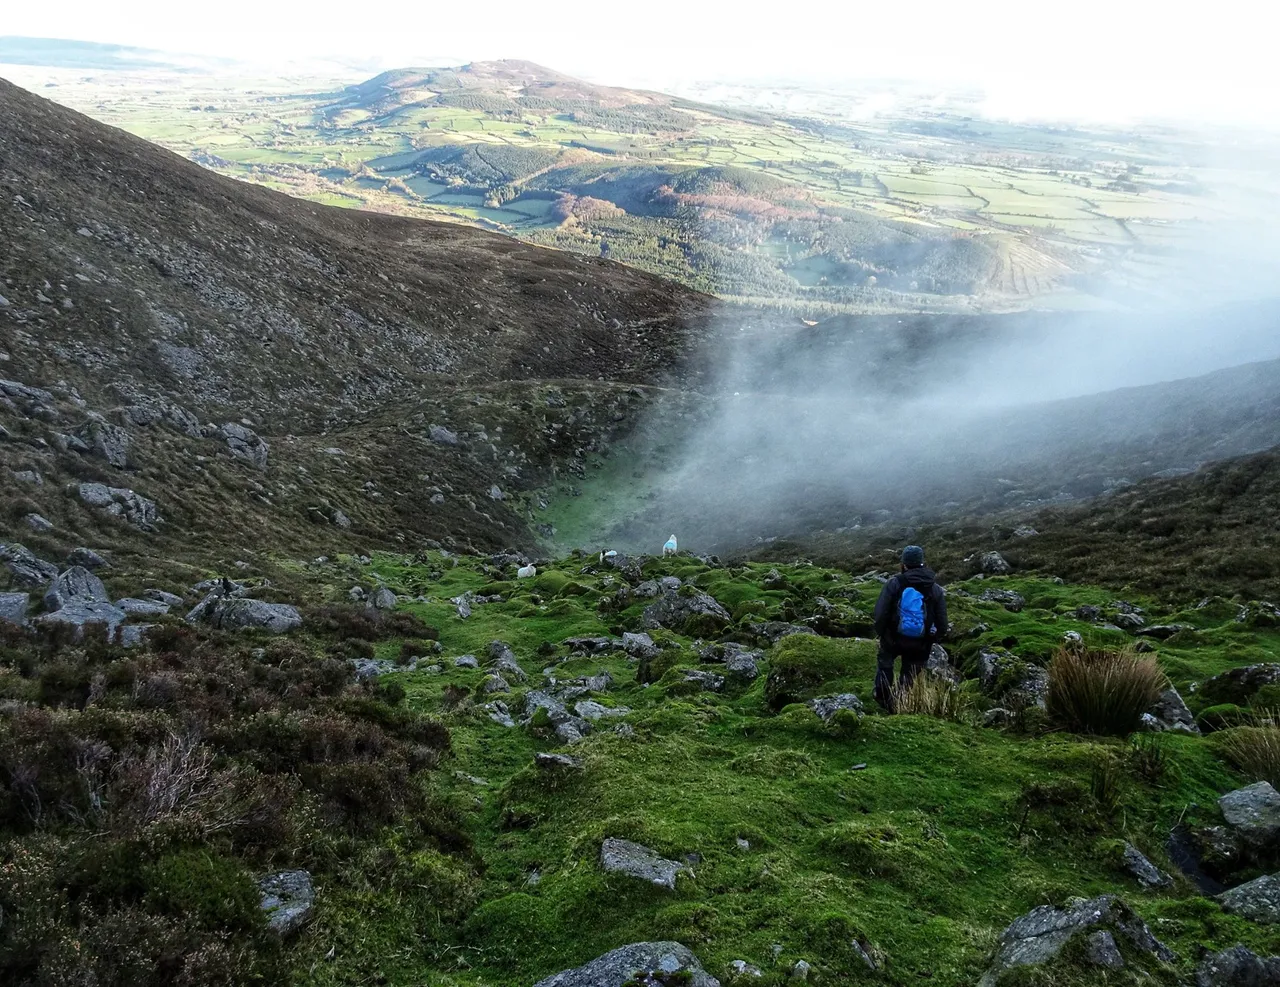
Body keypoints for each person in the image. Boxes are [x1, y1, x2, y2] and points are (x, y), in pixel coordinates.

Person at [872, 545, 948, 711]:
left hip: (893, 637)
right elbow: (942, 621)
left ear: (904, 564)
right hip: (921, 641)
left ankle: (883, 698)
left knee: (885, 664)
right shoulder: (935, 589)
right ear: (923, 563)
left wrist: (882, 634)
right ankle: (901, 702)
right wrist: (932, 638)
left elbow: (880, 612)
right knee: (910, 673)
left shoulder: (895, 583)